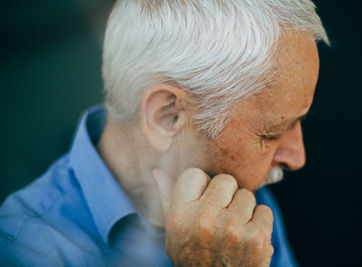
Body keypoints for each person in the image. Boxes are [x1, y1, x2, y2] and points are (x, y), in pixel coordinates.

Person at [0, 0, 329, 266]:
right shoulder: (22, 250)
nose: (297, 156)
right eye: (271, 133)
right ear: (167, 116)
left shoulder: (240, 201)